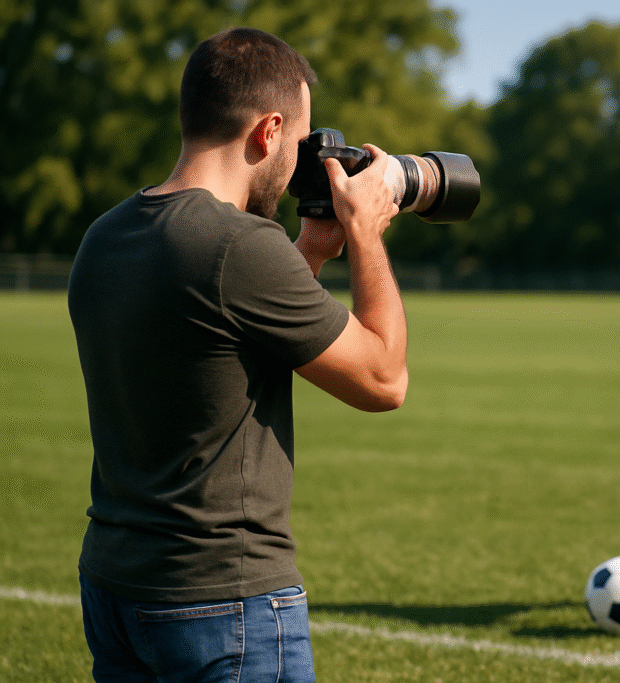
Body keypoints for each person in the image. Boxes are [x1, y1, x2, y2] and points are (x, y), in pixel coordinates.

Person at [67, 28, 408, 682]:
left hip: (115, 585)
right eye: (301, 143)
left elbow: (223, 343)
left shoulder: (104, 237)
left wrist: (307, 254)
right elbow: (383, 377)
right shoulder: (240, 246)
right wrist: (366, 234)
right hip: (221, 600)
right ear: (269, 130)